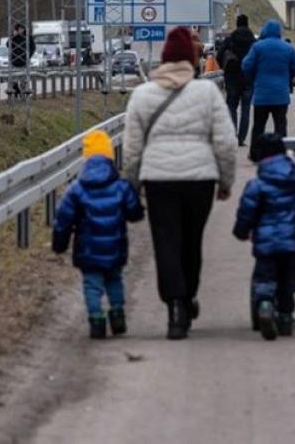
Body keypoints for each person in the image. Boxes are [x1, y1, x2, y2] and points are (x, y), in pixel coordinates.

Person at [123, 26, 238, 340]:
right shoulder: (207, 93)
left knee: (166, 242)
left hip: (158, 180)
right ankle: (187, 297)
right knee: (191, 241)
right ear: (192, 59)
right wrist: (226, 180)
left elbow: (132, 147)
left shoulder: (143, 95)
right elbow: (226, 142)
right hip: (200, 180)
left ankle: (174, 305)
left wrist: (131, 185)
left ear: (163, 60)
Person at [53, 130, 145, 339]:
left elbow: (63, 220)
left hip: (88, 250)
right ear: (110, 157)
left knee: (92, 285)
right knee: (114, 280)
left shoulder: (76, 190)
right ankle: (118, 313)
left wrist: (60, 244)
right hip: (115, 247)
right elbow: (134, 211)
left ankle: (96, 319)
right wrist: (137, 213)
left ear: (85, 159)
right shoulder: (121, 187)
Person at [233, 133, 295, 341]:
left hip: (266, 244)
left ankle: (265, 305)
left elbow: (246, 212)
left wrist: (241, 231)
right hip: (291, 241)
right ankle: (285, 317)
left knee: (265, 277)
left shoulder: (256, 186)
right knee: (287, 281)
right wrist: (292, 159)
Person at [243, 20, 295, 143]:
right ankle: (280, 152)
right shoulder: (288, 48)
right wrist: (288, 76)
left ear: (264, 31)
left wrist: (254, 76)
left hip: (261, 95)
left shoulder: (257, 47)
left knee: (258, 127)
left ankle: (255, 153)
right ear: (279, 32)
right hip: (281, 95)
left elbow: (246, 66)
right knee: (280, 127)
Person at [217, 15, 257, 146]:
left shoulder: (230, 40)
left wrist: (226, 67)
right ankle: (241, 138)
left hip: (232, 77)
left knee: (231, 106)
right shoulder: (253, 41)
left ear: (237, 24)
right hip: (248, 78)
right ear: (247, 24)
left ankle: (232, 134)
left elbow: (219, 55)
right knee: (246, 109)